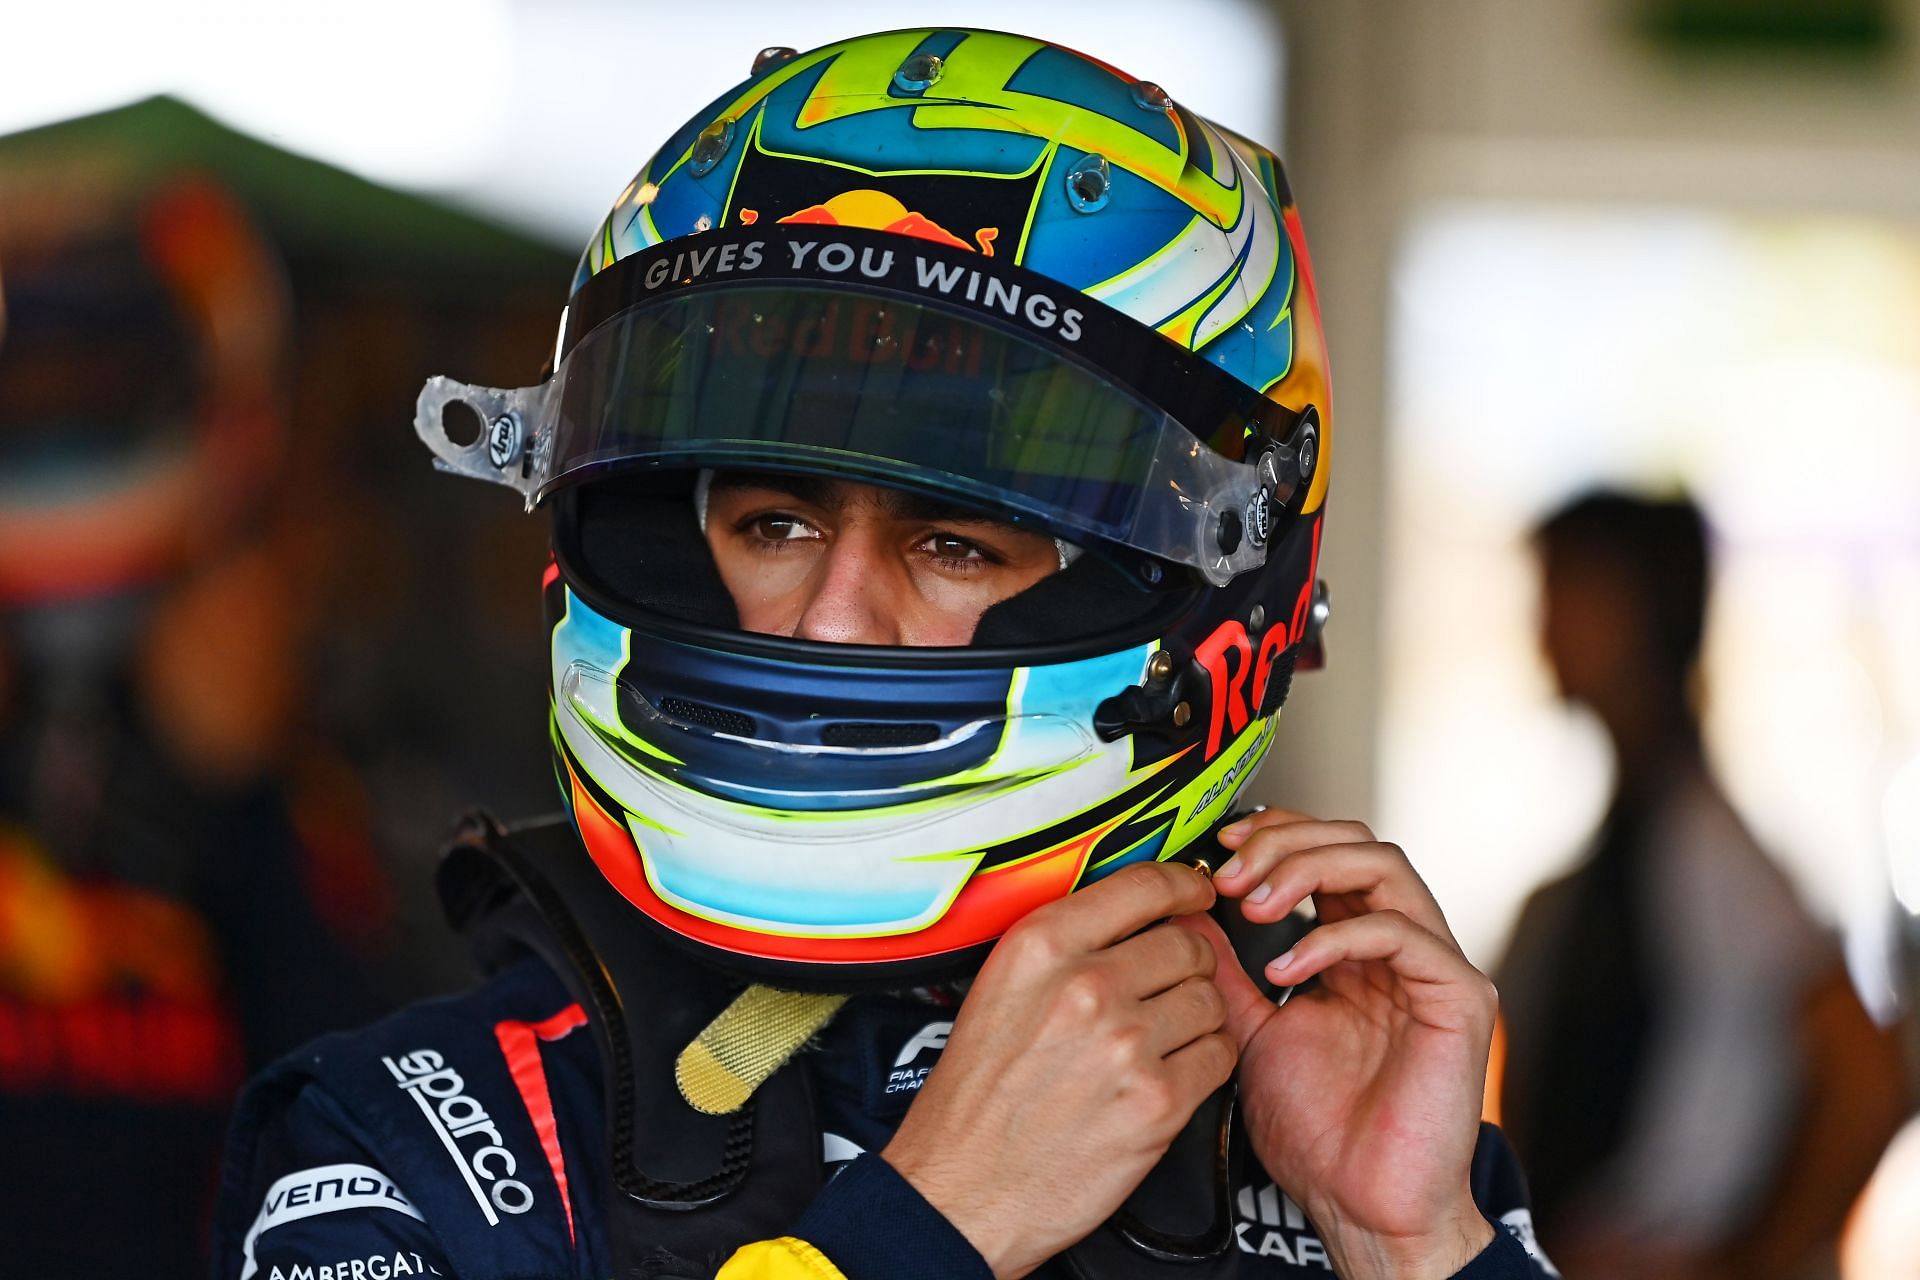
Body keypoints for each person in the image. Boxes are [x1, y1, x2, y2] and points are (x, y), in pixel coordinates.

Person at [213, 29, 1555, 1280]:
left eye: (956, 545)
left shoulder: (1326, 1115)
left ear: (1211, 606)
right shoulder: (412, 1145)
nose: (832, 617)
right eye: (774, 524)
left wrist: (1415, 1238)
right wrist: (932, 1225)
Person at [1498, 491, 1908, 1280]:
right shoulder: (1622, 856)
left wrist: (1746, 1263)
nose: (1544, 625)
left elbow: (1866, 1069)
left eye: (1568, 590)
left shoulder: (1706, 850)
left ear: (1643, 611)